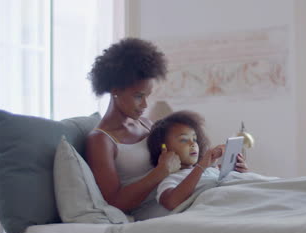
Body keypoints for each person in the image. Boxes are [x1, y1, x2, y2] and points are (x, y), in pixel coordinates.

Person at [85, 37, 247, 220]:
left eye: (147, 96)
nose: (145, 104)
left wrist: (218, 169)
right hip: (156, 209)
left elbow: (181, 165)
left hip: (181, 194)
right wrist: (159, 173)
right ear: (115, 90)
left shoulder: (146, 124)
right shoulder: (101, 139)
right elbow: (114, 202)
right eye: (138, 96)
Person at [147, 111, 247, 211]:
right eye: (183, 140)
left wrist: (242, 173)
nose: (193, 144)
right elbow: (172, 203)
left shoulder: (212, 170)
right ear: (164, 149)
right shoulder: (171, 179)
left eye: (194, 139)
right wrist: (201, 166)